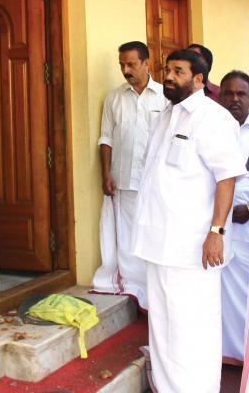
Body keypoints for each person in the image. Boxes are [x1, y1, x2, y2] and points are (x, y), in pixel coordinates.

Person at [130, 49, 247, 392]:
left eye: (178, 71)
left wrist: (216, 232)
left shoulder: (213, 118)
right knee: (163, 327)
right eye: (167, 69)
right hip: (158, 243)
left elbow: (227, 178)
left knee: (192, 327)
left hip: (193, 247)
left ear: (198, 79)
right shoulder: (165, 115)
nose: (169, 76)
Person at [92, 41, 167, 312]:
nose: (126, 69)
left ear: (147, 63)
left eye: (132, 64)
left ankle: (153, 291)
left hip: (154, 183)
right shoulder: (114, 97)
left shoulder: (164, 96)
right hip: (121, 179)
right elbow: (106, 137)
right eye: (122, 65)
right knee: (126, 236)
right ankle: (133, 290)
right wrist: (106, 172)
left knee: (151, 234)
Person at [217, 71, 249, 366]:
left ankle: (246, 355)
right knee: (220, 292)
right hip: (218, 226)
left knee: (246, 292)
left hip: (248, 222)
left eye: (241, 94)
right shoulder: (212, 129)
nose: (234, 99)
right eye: (228, 94)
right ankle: (226, 352)